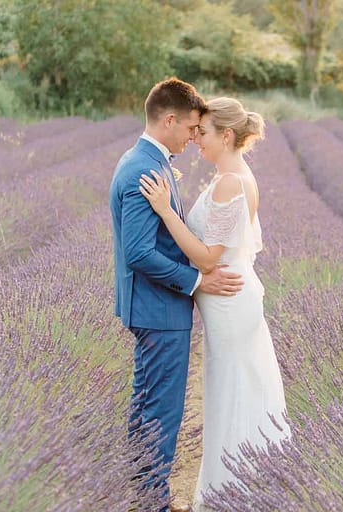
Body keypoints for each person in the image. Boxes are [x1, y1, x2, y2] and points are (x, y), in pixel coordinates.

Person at [138, 97, 289, 510]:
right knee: (234, 391)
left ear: (226, 135)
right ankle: (239, 491)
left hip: (229, 302)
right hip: (230, 297)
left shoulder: (230, 182)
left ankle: (237, 495)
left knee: (233, 393)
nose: (196, 139)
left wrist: (166, 212)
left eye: (202, 132)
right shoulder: (236, 174)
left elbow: (208, 257)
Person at [110, 78, 244, 512]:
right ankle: (153, 504)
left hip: (156, 309)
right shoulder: (144, 169)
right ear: (169, 119)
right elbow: (138, 252)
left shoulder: (148, 161)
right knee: (161, 416)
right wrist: (196, 281)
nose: (192, 137)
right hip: (159, 311)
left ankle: (144, 497)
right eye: (189, 128)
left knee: (147, 409)